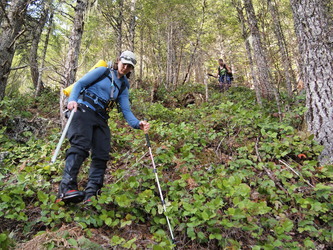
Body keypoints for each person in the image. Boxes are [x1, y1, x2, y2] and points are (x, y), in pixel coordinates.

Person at [56, 51, 150, 204]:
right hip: (83, 110)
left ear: (132, 69)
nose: (125, 67)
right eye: (124, 63)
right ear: (118, 60)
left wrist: (137, 123)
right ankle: (66, 189)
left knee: (101, 153)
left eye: (129, 66)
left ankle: (92, 194)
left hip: (101, 118)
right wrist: (72, 100)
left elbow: (126, 110)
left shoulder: (123, 86)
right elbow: (80, 84)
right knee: (80, 146)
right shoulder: (103, 71)